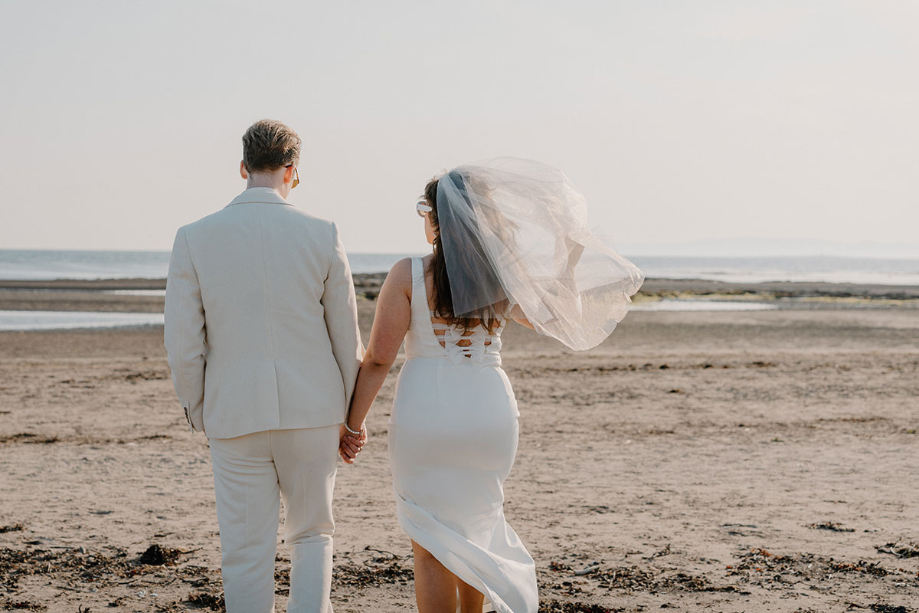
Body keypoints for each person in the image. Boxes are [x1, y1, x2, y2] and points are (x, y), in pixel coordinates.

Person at [340, 158, 643, 613]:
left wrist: (352, 424)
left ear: (437, 220)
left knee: (429, 542)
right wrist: (571, 255)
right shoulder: (500, 275)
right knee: (477, 525)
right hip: (489, 413)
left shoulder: (407, 274)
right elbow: (554, 316)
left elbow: (380, 359)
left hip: (428, 412)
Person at [164, 119, 364, 613]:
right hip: (315, 410)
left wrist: (197, 407)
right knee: (313, 534)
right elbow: (347, 339)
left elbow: (183, 342)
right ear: (293, 171)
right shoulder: (323, 233)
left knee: (244, 549)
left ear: (242, 167)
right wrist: (352, 418)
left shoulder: (194, 237)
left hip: (234, 413)